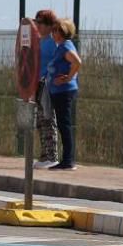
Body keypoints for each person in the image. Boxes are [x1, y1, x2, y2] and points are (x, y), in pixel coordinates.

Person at [47, 18, 82, 170]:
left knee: (64, 124)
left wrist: (68, 77)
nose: (52, 33)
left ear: (62, 32)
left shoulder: (66, 46)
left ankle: (68, 160)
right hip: (57, 91)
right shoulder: (60, 47)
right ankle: (66, 159)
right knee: (62, 124)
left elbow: (77, 62)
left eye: (55, 30)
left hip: (64, 91)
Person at [32, 9, 59, 167]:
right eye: (37, 22)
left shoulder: (52, 43)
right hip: (38, 85)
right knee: (41, 121)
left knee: (48, 119)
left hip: (47, 85)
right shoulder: (41, 42)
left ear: (49, 25)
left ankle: (51, 156)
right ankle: (44, 155)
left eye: (40, 22)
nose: (38, 25)